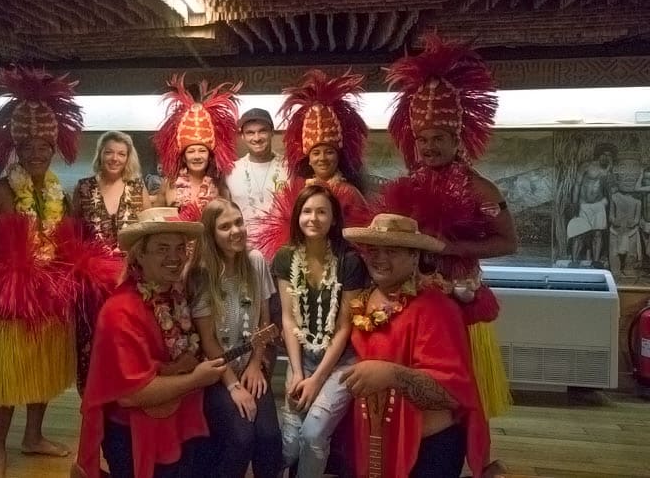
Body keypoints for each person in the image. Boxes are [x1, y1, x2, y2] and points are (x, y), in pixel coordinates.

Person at [383, 34, 517, 429]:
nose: (428, 146)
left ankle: (474, 459)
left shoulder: (481, 189)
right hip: (419, 304)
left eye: (438, 138)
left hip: (461, 304)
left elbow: (509, 242)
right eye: (422, 139)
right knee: (425, 395)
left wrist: (450, 246)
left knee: (466, 397)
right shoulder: (410, 183)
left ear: (457, 138)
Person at [0, 67, 82, 478]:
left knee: (42, 372)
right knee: (4, 381)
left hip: (48, 302)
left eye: (43, 146)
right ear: (15, 147)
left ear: (54, 148)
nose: (36, 153)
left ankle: (33, 436)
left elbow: (68, 242)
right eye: (27, 146)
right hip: (9, 306)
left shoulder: (60, 197)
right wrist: (4, 272)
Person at [74, 207, 227, 478]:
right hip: (134, 434)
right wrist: (196, 379)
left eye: (180, 248)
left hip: (179, 422)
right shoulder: (120, 311)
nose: (175, 258)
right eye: (162, 249)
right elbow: (131, 395)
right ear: (140, 255)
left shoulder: (175, 295)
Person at [341, 213, 489, 477]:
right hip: (374, 440)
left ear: (415, 257)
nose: (379, 258)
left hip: (427, 451)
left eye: (392, 251)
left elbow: (451, 393)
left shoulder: (437, 308)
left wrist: (393, 375)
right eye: (373, 250)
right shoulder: (363, 300)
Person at [272, 184, 368, 477]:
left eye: (321, 212)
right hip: (302, 357)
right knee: (288, 445)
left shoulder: (349, 261)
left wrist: (317, 380)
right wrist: (299, 372)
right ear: (297, 216)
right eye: (307, 211)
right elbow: (289, 320)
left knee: (312, 435)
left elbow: (343, 327)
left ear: (334, 219)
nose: (313, 218)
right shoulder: (286, 257)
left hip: (340, 362)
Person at [189, 198, 282, 478]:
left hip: (252, 364)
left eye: (239, 222)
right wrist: (233, 386)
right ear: (211, 233)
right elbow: (208, 340)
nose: (236, 231)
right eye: (225, 226)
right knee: (241, 438)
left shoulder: (255, 262)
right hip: (219, 372)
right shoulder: (202, 274)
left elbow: (264, 321)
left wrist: (256, 365)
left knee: (268, 437)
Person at [255, 70, 370, 261]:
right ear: (308, 159)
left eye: (329, 152)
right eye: (316, 153)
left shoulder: (351, 194)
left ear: (338, 157)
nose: (322, 158)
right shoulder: (295, 191)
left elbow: (363, 241)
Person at [71, 130, 150, 392]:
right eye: (109, 152)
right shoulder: (83, 188)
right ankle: (93, 400)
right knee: (92, 342)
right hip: (92, 285)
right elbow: (74, 235)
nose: (114, 158)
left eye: (121, 153)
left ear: (128, 158)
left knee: (126, 339)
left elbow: (148, 233)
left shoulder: (138, 189)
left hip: (130, 281)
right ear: (100, 155)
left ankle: (128, 397)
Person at [153, 75, 238, 216]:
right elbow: (155, 218)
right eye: (191, 151)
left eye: (202, 151)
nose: (197, 156)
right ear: (184, 157)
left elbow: (227, 219)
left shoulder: (220, 186)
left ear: (209, 156)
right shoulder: (169, 184)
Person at [225, 108, 287, 241]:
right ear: (242, 136)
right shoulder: (231, 170)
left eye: (262, 131)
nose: (257, 138)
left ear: (272, 132)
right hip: (242, 249)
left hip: (282, 248)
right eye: (250, 133)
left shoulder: (289, 168)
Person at [567, 143, 616, 266]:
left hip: (599, 204)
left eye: (609, 156)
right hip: (584, 204)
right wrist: (574, 203)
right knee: (579, 233)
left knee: (598, 234)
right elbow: (577, 185)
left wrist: (610, 211)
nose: (606, 158)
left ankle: (596, 261)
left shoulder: (608, 170)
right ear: (599, 154)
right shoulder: (587, 166)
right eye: (604, 155)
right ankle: (574, 261)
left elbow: (609, 192)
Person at [608, 177, 641, 275]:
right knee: (614, 253)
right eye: (625, 181)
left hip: (631, 231)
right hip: (616, 230)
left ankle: (629, 268)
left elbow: (637, 218)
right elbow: (611, 216)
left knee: (631, 253)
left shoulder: (637, 201)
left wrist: (634, 222)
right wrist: (614, 221)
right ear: (619, 182)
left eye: (631, 181)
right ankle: (615, 268)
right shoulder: (614, 197)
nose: (628, 184)